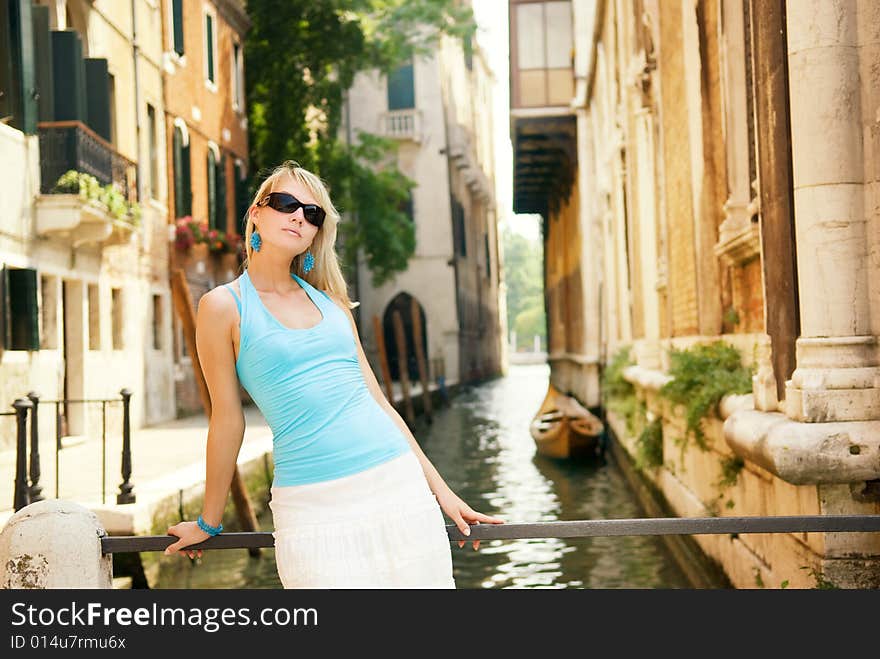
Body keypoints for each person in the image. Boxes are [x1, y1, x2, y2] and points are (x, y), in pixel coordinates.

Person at [165, 160, 504, 588]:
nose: (298, 216)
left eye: (312, 213)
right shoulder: (222, 307)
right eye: (286, 203)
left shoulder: (333, 305)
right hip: (310, 506)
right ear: (256, 212)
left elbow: (378, 403)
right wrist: (209, 522)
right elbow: (226, 419)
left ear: (316, 233)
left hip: (395, 487)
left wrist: (443, 491)